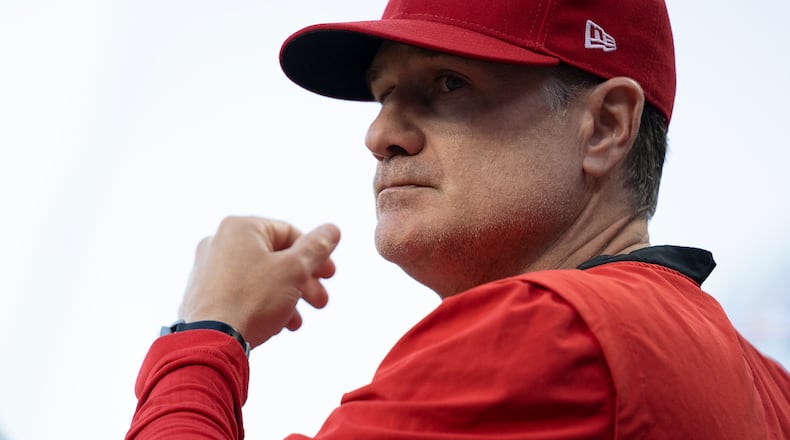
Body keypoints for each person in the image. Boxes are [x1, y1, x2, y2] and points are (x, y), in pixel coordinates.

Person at [126, 0, 790, 438]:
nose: (381, 133)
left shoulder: (550, 332)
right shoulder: (769, 385)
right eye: (385, 93)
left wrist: (205, 333)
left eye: (448, 82)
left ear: (605, 126)